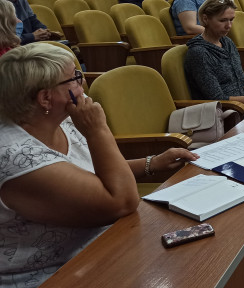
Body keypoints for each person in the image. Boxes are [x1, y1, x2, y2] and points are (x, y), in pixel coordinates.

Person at [0, 42, 197, 287]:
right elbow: (122, 202)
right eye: (74, 77)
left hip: (98, 249)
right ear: (45, 98)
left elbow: (90, 176)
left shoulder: (61, 119)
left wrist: (152, 163)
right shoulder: (18, 158)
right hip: (53, 276)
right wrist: (97, 129)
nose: (83, 83)